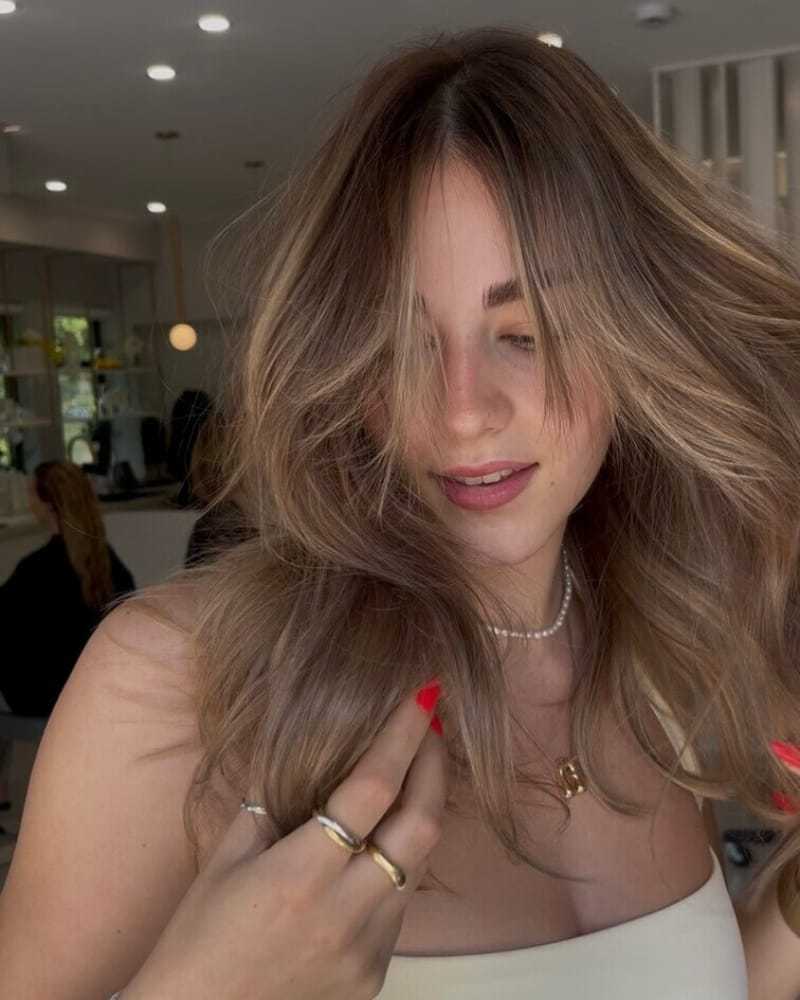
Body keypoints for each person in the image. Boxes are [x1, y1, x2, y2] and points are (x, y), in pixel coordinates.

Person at [2, 26, 800, 1000]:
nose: (462, 409)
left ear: (637, 337)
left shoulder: (653, 658)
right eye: (399, 344)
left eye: (525, 333)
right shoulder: (178, 682)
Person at [0, 461, 135, 717]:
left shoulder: (35, 570)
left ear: (46, 504)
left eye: (30, 493)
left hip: (44, 697)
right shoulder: (105, 561)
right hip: (97, 687)